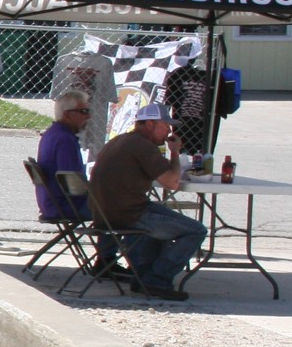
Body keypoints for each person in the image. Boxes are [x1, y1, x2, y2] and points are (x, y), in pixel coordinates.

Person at [86, 102, 208, 301]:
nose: (169, 131)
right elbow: (172, 182)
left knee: (159, 215)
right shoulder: (143, 145)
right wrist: (175, 152)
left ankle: (142, 276)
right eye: (165, 126)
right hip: (128, 214)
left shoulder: (121, 140)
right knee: (196, 230)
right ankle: (157, 279)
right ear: (149, 124)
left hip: (105, 213)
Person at [35, 92, 90, 221]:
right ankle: (110, 242)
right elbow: (75, 185)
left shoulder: (51, 134)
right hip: (68, 206)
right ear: (68, 115)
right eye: (84, 111)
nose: (89, 115)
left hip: (51, 204)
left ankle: (110, 241)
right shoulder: (65, 140)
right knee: (122, 207)